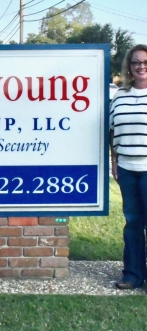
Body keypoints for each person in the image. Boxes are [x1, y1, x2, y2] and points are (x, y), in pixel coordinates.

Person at [110, 44, 147, 289]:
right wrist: (114, 161)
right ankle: (133, 274)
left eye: (145, 62)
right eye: (136, 62)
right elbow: (113, 132)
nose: (141, 66)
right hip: (126, 167)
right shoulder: (119, 96)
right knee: (132, 221)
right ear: (129, 66)